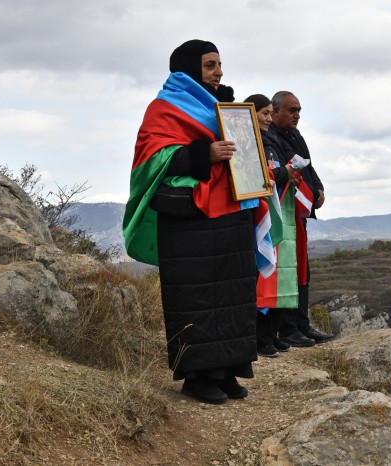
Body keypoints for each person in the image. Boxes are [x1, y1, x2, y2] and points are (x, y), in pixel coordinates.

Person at [123, 39, 262, 404]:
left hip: (232, 212)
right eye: (210, 65)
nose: (218, 72)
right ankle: (197, 377)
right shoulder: (164, 108)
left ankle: (229, 369)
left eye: (219, 64)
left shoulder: (227, 107)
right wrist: (205, 152)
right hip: (191, 221)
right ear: (188, 68)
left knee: (232, 293)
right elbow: (151, 158)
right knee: (197, 296)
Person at [269, 90, 334, 346]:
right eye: (292, 110)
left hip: (301, 213)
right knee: (288, 269)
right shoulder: (269, 137)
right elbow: (282, 174)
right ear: (275, 111)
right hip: (285, 213)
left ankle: (302, 324)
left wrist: (318, 190)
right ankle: (288, 328)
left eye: (299, 111)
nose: (297, 116)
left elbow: (309, 166)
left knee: (302, 269)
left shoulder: (296, 135)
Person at [244, 93, 298, 357]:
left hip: (270, 215)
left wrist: (288, 177)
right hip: (255, 218)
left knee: (270, 279)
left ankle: (270, 335)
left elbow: (273, 172)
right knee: (259, 282)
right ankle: (259, 338)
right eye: (264, 113)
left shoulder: (269, 141)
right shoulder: (249, 143)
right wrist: (281, 174)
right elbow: (257, 176)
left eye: (268, 113)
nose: (268, 119)